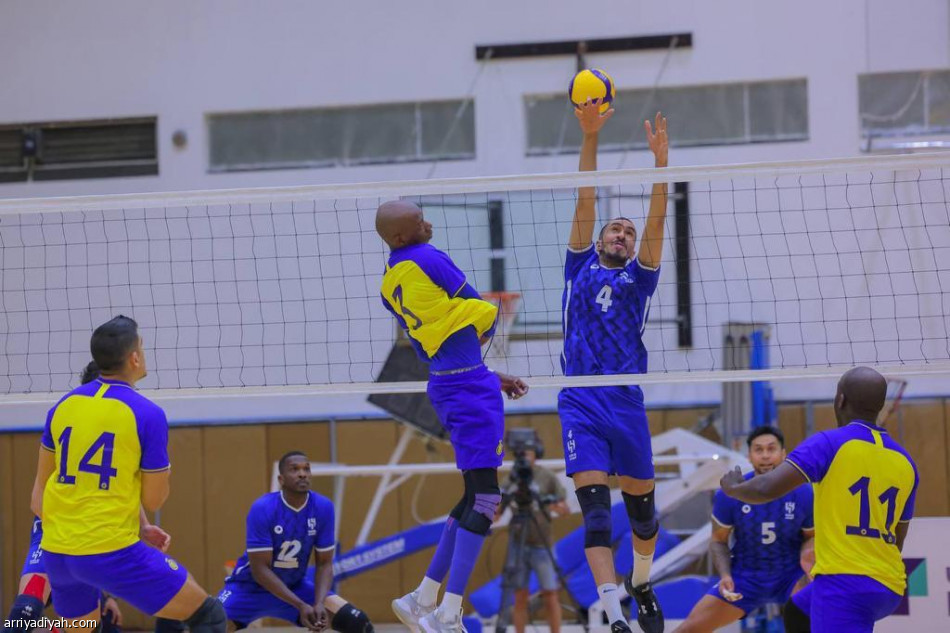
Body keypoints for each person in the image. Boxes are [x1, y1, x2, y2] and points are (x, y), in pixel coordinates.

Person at [377, 200, 529, 633]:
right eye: (419, 221)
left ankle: (422, 597)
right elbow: (476, 308)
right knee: (486, 499)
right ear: (403, 236)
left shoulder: (389, 283)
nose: (429, 223)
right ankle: (449, 613)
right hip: (467, 387)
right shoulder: (429, 257)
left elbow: (433, 342)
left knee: (470, 497)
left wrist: (487, 373)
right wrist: (484, 335)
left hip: (448, 382)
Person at [30, 315, 227, 633]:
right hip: (110, 552)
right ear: (135, 357)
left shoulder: (62, 407)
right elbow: (154, 498)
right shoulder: (147, 413)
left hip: (59, 555)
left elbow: (38, 498)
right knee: (209, 615)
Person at [557, 100, 669, 633]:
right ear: (599, 238)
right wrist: (589, 135)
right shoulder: (578, 264)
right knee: (597, 515)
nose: (622, 234)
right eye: (614, 229)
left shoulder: (640, 279)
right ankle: (614, 614)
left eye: (627, 231)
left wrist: (661, 167)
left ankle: (640, 581)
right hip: (579, 398)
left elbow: (656, 220)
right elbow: (586, 194)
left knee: (643, 518)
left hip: (624, 400)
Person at [720, 366, 919, 633]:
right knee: (799, 610)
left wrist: (733, 488)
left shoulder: (829, 443)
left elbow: (766, 488)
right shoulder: (905, 462)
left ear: (840, 400)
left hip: (844, 586)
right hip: (890, 585)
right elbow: (898, 536)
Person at [3, 361, 168, 633]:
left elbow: (122, 489)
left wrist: (144, 526)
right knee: (24, 614)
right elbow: (39, 496)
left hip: (87, 538)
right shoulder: (66, 416)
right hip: (57, 530)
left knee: (96, 623)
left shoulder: (121, 424)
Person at [672, 426, 814, 632]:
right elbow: (719, 540)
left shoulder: (803, 492)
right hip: (745, 577)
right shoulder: (731, 492)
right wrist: (725, 576)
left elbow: (812, 537)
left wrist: (809, 562)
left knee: (828, 619)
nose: (765, 455)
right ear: (749, 456)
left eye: (771, 449)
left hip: (791, 576)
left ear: (783, 454)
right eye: (759, 450)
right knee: (689, 628)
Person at [217, 451, 372, 633]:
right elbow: (260, 570)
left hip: (295, 586)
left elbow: (324, 563)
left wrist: (319, 603)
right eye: (295, 469)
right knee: (210, 624)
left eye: (306, 469)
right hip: (249, 587)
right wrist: (300, 605)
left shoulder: (323, 507)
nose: (302, 473)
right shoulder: (263, 508)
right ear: (281, 479)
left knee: (357, 622)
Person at [498, 436, 570, 633]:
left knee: (550, 594)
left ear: (536, 454)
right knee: (519, 595)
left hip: (542, 544)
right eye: (520, 453)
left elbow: (565, 508)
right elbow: (496, 515)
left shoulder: (546, 477)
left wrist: (546, 503)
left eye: (528, 453)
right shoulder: (511, 479)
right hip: (517, 543)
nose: (524, 458)